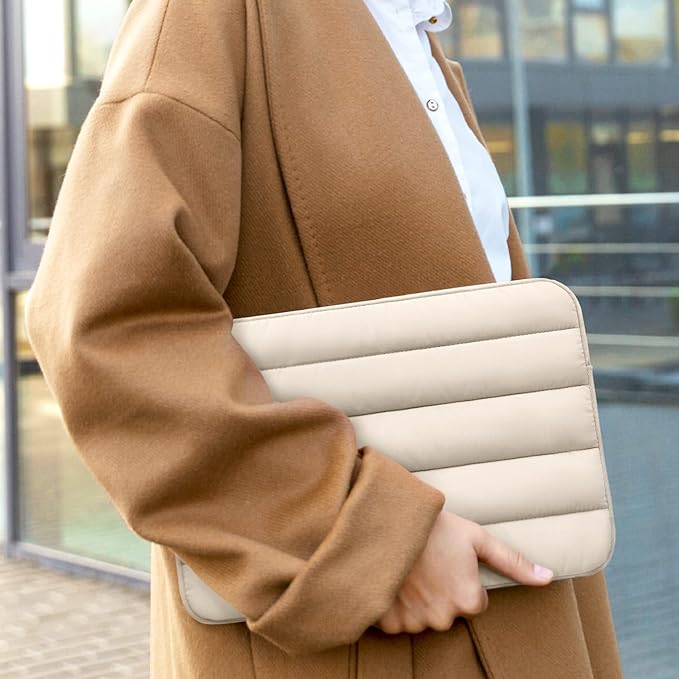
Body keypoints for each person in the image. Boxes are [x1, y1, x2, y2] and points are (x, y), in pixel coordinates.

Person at [23, 0, 623, 676]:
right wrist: (358, 534)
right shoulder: (213, 13)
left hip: (520, 599)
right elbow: (104, 324)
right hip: (363, 628)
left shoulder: (412, 36)